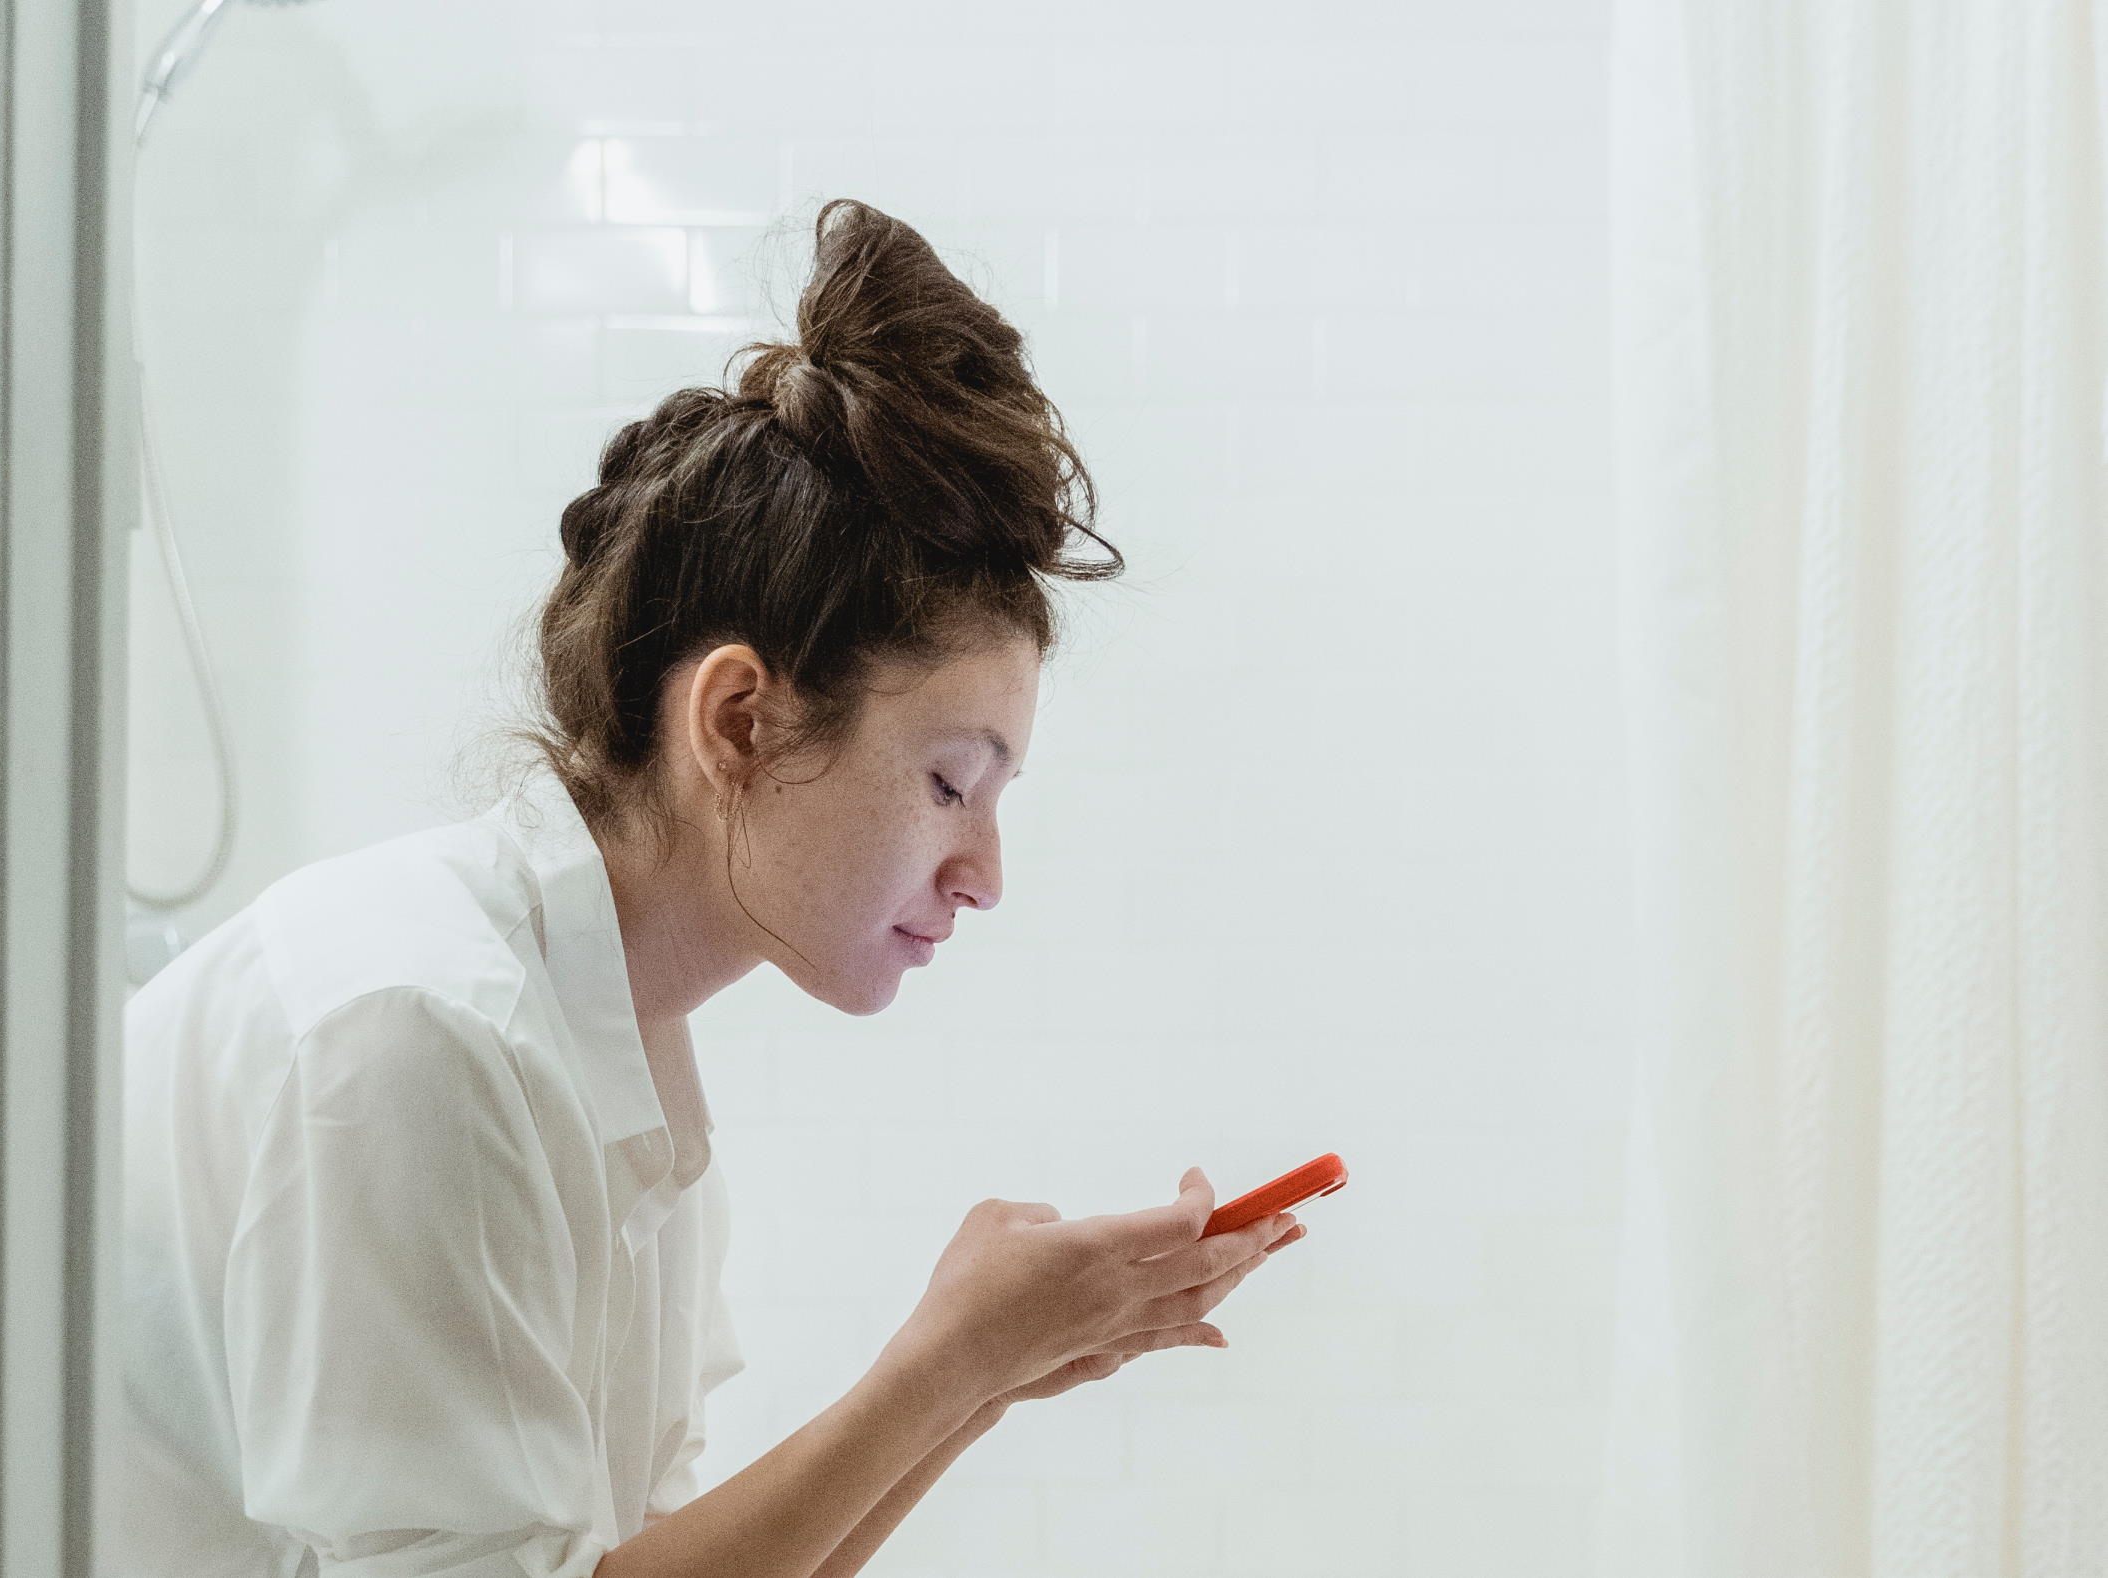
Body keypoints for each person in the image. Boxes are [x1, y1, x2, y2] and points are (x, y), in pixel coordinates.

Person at [119, 198, 1305, 1578]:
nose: (982, 874)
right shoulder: (415, 1032)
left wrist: (980, 1375)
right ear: (738, 720)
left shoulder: (609, 1049)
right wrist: (947, 1359)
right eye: (947, 785)